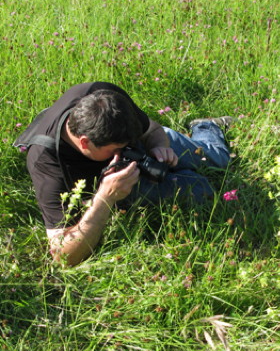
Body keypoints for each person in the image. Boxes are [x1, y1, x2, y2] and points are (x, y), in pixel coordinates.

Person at [16, 81, 233, 266]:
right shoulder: (46, 163)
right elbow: (62, 256)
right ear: (85, 143)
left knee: (219, 160)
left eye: (128, 145)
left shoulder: (105, 98)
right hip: (115, 189)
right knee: (200, 189)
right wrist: (105, 198)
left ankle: (205, 127)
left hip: (147, 155)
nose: (124, 153)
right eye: (116, 150)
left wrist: (159, 146)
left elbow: (152, 129)